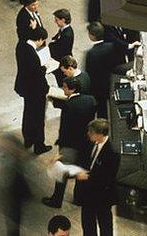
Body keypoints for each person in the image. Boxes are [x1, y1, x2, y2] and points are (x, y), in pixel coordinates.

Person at [42, 77, 96, 208]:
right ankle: (79, 198)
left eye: (64, 87)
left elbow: (65, 128)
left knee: (62, 172)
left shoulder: (68, 105)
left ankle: (56, 200)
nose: (63, 89)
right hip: (86, 143)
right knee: (82, 170)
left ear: (71, 89)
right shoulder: (90, 100)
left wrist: (61, 149)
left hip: (70, 145)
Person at [75, 119, 120, 236]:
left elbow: (107, 178)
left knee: (105, 225)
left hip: (102, 196)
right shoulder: (91, 142)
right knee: (87, 224)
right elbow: (85, 159)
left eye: (91, 132)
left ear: (100, 134)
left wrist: (87, 178)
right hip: (88, 193)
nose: (88, 134)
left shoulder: (113, 153)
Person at [15, 23, 51, 152]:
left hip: (24, 87)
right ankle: (39, 145)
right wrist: (45, 68)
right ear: (40, 39)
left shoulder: (21, 45)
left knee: (28, 113)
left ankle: (28, 139)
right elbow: (36, 74)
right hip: (35, 90)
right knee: (38, 117)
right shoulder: (32, 54)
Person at [84, 22, 117, 119]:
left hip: (96, 86)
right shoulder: (111, 46)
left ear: (92, 36)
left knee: (99, 107)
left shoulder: (91, 53)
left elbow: (89, 73)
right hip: (109, 81)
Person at [48, 9, 75, 84]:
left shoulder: (67, 35)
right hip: (60, 60)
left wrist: (51, 45)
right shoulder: (63, 29)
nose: (55, 22)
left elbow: (62, 51)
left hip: (62, 62)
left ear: (63, 20)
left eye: (56, 20)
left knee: (62, 82)